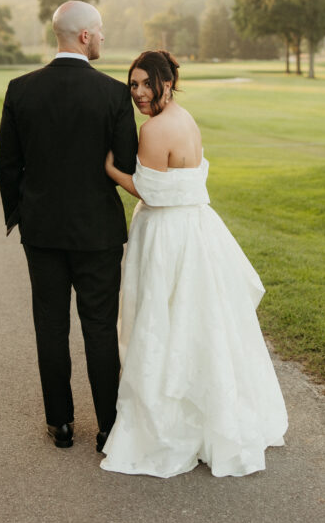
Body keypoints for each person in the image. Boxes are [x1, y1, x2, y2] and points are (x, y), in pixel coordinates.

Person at [101, 49, 288, 478]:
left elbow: (150, 191)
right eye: (133, 85)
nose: (139, 93)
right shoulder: (186, 119)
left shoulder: (153, 130)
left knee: (163, 322)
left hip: (167, 235)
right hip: (199, 230)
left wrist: (111, 169)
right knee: (199, 323)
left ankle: (169, 424)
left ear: (168, 82)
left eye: (148, 83)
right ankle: (210, 419)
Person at [0, 1, 138, 451]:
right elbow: (127, 162)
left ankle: (60, 423)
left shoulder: (20, 90)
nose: (102, 38)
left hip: (41, 232)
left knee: (51, 326)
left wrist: (21, 215)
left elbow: (8, 166)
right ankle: (108, 428)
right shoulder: (113, 94)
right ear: (83, 37)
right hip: (97, 232)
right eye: (99, 32)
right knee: (99, 328)